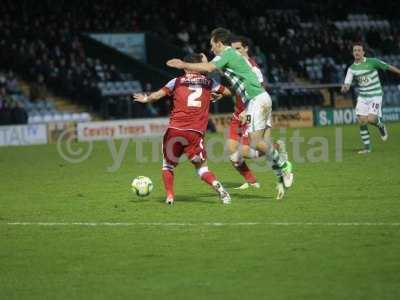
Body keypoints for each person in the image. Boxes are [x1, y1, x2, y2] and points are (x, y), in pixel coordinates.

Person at [167, 28, 294, 200]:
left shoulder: (227, 53)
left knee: (256, 142)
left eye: (212, 45)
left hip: (257, 99)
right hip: (256, 100)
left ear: (219, 43)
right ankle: (281, 171)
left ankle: (283, 166)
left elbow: (209, 66)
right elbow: (239, 81)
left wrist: (184, 65)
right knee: (257, 143)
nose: (211, 49)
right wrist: (223, 93)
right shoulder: (232, 57)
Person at [133, 53, 232, 205]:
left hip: (175, 129)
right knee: (201, 168)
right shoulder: (209, 82)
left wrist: (145, 98)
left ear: (185, 66)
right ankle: (219, 189)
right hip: (195, 132)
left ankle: (170, 197)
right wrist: (217, 96)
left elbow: (157, 95)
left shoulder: (176, 81)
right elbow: (227, 92)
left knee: (168, 165)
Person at [341, 42, 400, 154]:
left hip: (375, 95)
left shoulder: (373, 62)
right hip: (363, 97)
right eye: (355, 50)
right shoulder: (352, 68)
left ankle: (380, 125)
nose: (357, 52)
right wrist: (345, 88)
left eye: (359, 50)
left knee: (371, 119)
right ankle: (367, 148)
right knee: (361, 121)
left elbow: (387, 66)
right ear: (352, 53)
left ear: (363, 52)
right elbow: (347, 83)